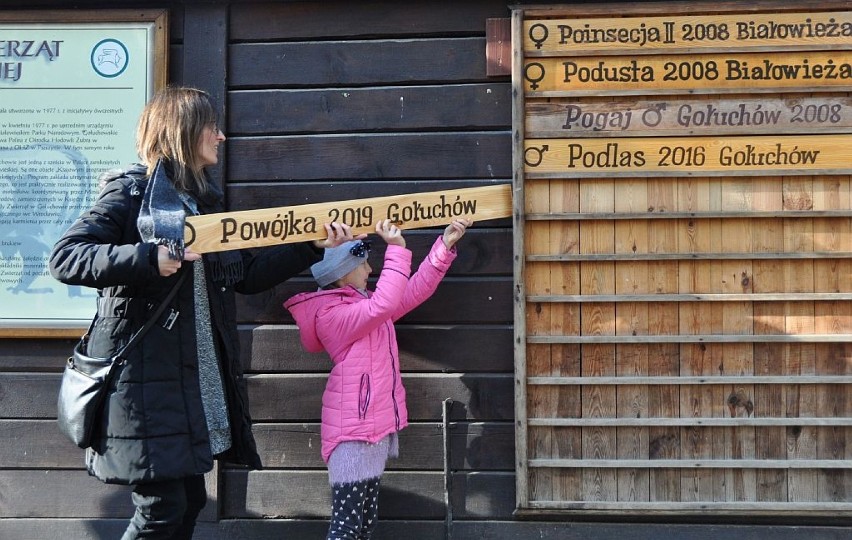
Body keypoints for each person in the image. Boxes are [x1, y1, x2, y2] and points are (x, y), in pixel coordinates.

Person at [48, 86, 358, 539]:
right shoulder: (131, 192)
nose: (221, 136)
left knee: (187, 501)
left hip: (186, 381)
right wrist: (148, 258)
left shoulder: (201, 204)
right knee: (162, 508)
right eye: (211, 126)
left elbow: (247, 275)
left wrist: (310, 245)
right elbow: (66, 257)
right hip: (145, 382)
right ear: (184, 130)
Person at [283, 217, 472, 540]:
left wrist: (444, 245)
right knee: (346, 528)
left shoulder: (365, 306)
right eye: (364, 264)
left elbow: (411, 292)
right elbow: (386, 301)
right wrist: (396, 249)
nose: (370, 270)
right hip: (353, 435)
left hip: (370, 430)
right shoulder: (334, 316)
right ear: (344, 273)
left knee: (364, 525)